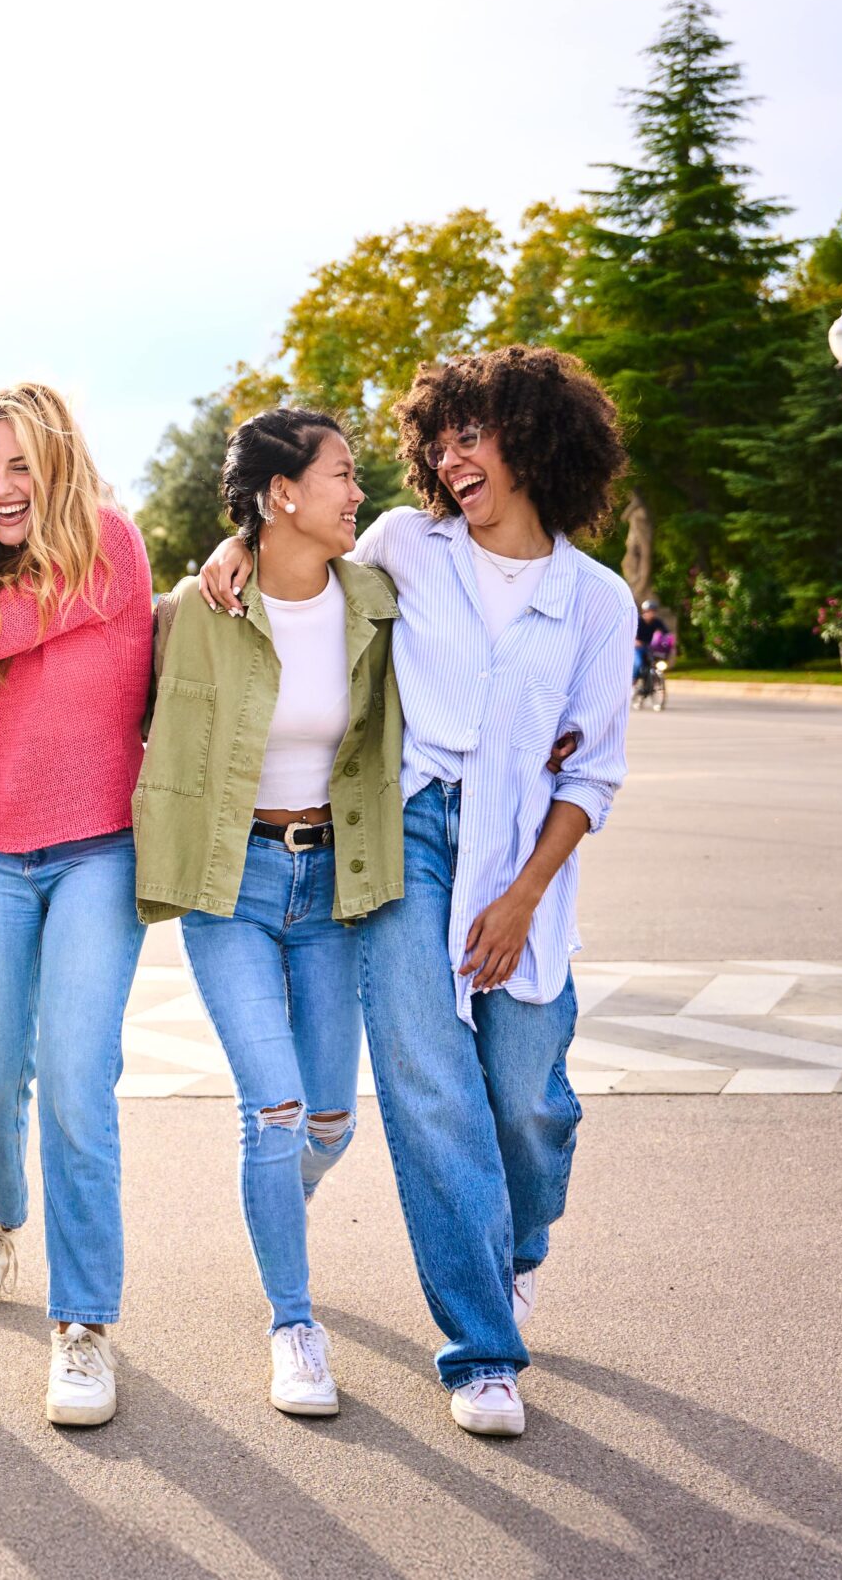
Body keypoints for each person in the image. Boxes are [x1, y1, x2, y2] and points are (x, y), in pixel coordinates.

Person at [197, 343, 633, 1438]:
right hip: (401, 833)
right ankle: (481, 1353)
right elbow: (296, 552)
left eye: (472, 434)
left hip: (524, 853)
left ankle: (515, 1248)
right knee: (431, 1093)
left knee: (527, 1102)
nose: (450, 456)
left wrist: (526, 893)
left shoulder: (595, 599)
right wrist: (231, 544)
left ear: (532, 441)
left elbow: (593, 775)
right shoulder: (403, 545)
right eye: (439, 439)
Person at [133, 408, 401, 1419]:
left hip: (333, 884)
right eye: (341, 473)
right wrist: (227, 545)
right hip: (231, 886)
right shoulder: (193, 611)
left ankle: (271, 1204)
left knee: (329, 1125)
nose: (357, 490)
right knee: (276, 1110)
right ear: (283, 491)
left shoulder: (376, 594)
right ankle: (293, 1324)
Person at [0, 381, 154, 1428]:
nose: (4, 487)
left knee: (73, 1081)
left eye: (22, 465)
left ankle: (84, 1325)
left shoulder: (110, 543)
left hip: (96, 855)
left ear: (58, 464)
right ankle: (1, 1212)